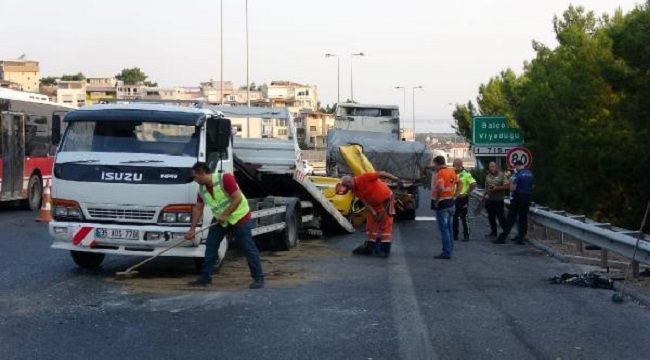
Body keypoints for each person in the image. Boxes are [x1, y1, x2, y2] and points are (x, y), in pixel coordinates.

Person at [186, 162, 264, 289]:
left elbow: (237, 198)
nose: (194, 180)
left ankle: (258, 278)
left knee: (248, 248)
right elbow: (198, 209)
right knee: (210, 247)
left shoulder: (225, 178)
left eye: (195, 177)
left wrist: (225, 214)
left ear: (202, 173)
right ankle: (205, 278)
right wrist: (192, 229)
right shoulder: (202, 189)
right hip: (220, 220)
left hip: (240, 217)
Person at [338, 171, 399, 258]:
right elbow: (365, 202)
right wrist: (373, 212)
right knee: (371, 226)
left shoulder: (365, 177)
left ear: (350, 181)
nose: (349, 189)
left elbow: (381, 173)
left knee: (385, 225)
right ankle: (371, 247)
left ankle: (385, 250)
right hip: (373, 206)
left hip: (385, 202)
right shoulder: (355, 190)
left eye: (348, 186)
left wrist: (395, 178)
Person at [495, 160, 534, 244]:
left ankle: (503, 237)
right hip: (527, 198)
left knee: (511, 218)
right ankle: (520, 238)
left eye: (515, 167)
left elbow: (512, 188)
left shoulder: (517, 175)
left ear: (517, 166)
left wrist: (511, 183)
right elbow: (532, 186)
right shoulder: (530, 174)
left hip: (518, 198)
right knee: (523, 219)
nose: (515, 168)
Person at [431, 156, 458, 259]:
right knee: (449, 228)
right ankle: (450, 249)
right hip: (451, 202)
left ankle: (446, 252)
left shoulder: (441, 173)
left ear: (437, 164)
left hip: (442, 204)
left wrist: (437, 201)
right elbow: (460, 183)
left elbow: (441, 188)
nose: (434, 166)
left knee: (444, 229)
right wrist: (455, 195)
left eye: (434, 164)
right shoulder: (451, 171)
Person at [482, 161, 509, 238]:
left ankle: (505, 233)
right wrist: (483, 197)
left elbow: (507, 186)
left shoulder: (502, 175)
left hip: (499, 200)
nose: (492, 168)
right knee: (491, 217)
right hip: (490, 200)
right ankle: (493, 232)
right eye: (490, 167)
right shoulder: (488, 176)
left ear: (496, 167)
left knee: (501, 217)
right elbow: (486, 187)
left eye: (493, 166)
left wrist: (497, 188)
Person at [452, 159, 476, 241]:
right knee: (454, 217)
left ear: (461, 165)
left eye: (456, 165)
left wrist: (467, 193)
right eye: (454, 165)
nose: (454, 166)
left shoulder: (466, 174)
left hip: (463, 199)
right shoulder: (453, 173)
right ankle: (455, 235)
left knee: (464, 217)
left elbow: (473, 184)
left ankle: (466, 235)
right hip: (454, 198)